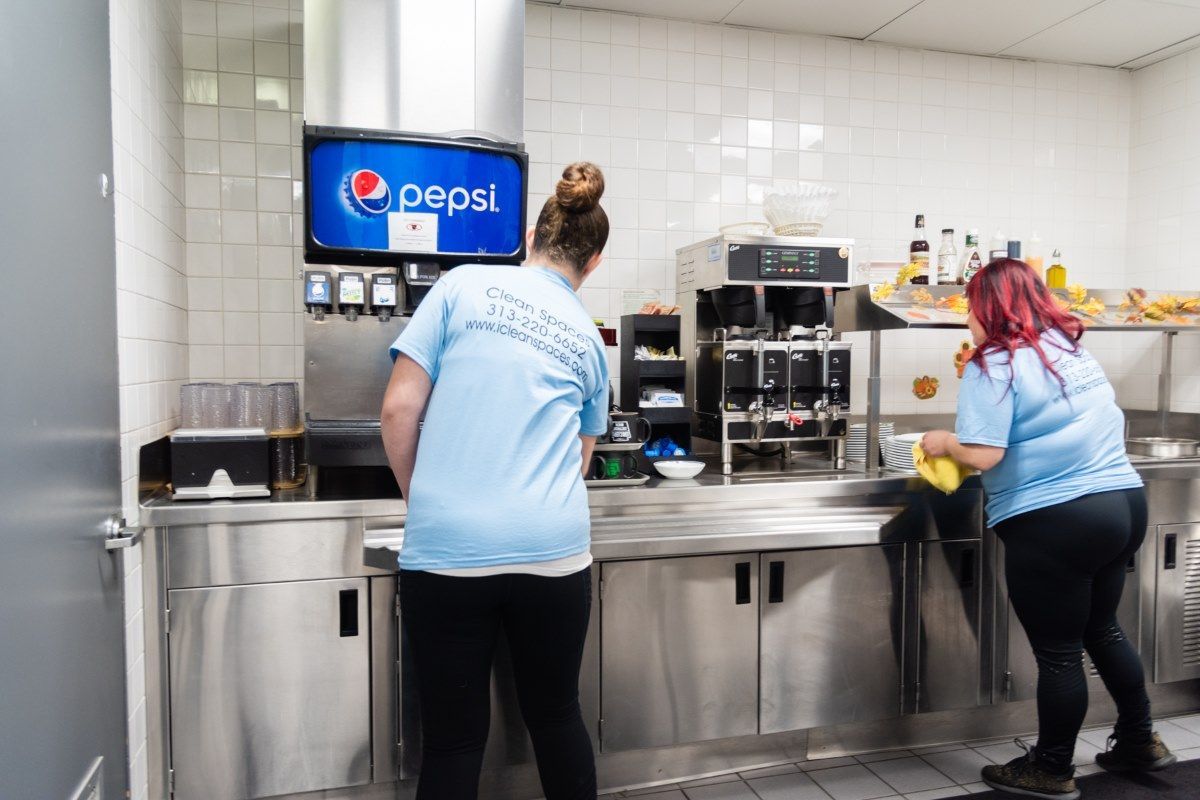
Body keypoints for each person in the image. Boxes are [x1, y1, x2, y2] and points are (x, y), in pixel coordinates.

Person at [380, 162, 610, 800]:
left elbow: (399, 410)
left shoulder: (460, 286)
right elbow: (581, 457)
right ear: (594, 263)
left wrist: (423, 499)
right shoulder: (590, 339)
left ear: (531, 237)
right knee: (556, 716)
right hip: (553, 552)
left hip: (449, 552)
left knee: (454, 741)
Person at [921, 259, 1176, 799]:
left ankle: (1052, 767)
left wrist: (941, 442)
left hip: (1057, 519)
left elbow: (984, 455)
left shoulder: (993, 364)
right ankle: (1139, 740)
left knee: (1058, 652)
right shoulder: (1069, 349)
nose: (968, 314)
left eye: (971, 304)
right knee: (1102, 629)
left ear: (987, 307)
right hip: (1122, 504)